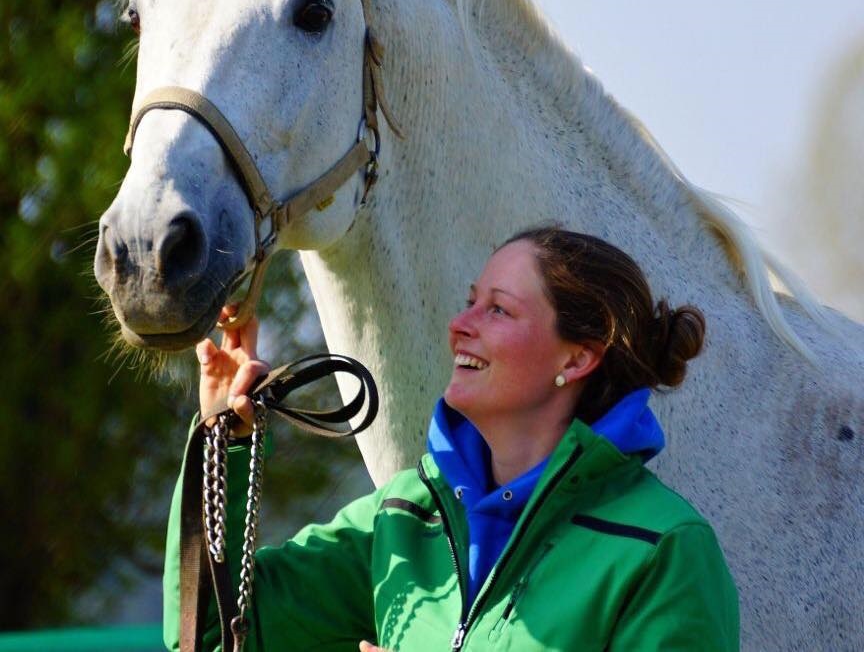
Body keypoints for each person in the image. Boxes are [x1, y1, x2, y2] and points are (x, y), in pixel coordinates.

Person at [163, 227, 740, 651]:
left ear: (578, 356)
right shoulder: (402, 519)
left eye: (498, 310)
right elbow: (211, 633)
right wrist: (223, 440)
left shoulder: (663, 549)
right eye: (471, 301)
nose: (460, 324)